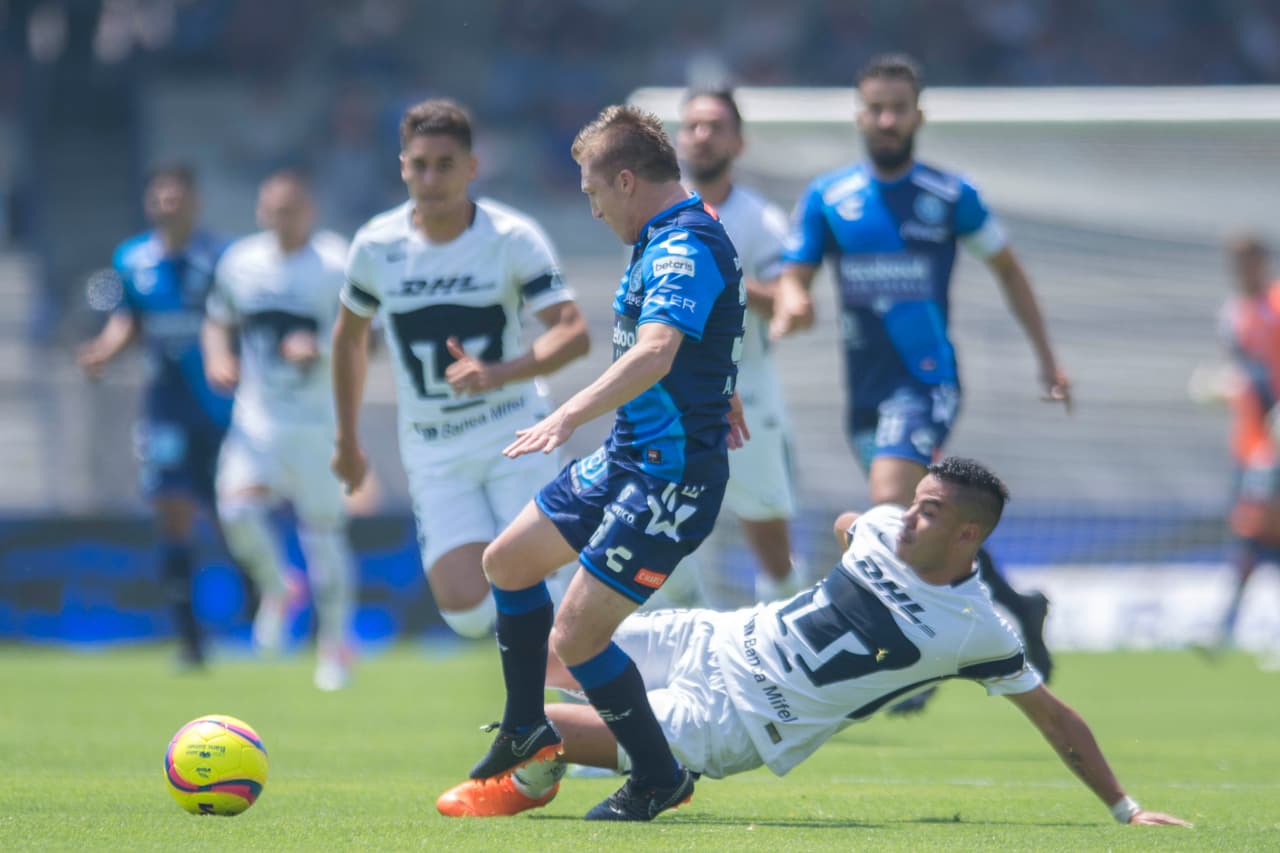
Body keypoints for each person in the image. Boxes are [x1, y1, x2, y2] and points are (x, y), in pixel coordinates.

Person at [436, 458, 1191, 830]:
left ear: (969, 535)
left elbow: (1055, 717)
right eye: (915, 502)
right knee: (537, 656)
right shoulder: (885, 529)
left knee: (546, 728)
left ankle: (557, 773)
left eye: (929, 512)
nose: (908, 518)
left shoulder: (977, 628)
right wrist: (865, 529)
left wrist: (1125, 809)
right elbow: (851, 525)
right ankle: (542, 763)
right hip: (712, 636)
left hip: (738, 720)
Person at [438, 104, 747, 823]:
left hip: (670, 477)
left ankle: (659, 775)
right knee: (507, 561)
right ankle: (526, 728)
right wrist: (723, 389)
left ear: (628, 179)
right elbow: (712, 334)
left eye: (593, 192)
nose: (594, 206)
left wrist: (567, 412)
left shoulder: (683, 244)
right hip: (627, 456)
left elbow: (659, 348)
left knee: (576, 638)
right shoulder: (663, 238)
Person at [769, 53, 1067, 698]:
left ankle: (911, 663)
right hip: (865, 386)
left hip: (925, 377)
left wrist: (1046, 357)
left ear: (918, 115)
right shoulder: (829, 197)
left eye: (898, 108)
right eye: (875, 107)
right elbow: (796, 270)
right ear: (859, 113)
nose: (886, 119)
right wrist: (792, 298)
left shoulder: (949, 196)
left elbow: (1009, 269)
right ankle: (1016, 605)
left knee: (886, 499)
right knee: (909, 514)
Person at [331, 99, 589, 639]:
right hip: (433, 446)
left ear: (472, 167)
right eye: (419, 164)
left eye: (445, 164)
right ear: (402, 166)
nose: (431, 177)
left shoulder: (511, 236)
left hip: (514, 433)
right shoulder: (376, 246)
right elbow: (350, 339)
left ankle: (566, 698)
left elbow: (573, 331)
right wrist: (348, 441)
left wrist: (498, 373)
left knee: (542, 582)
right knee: (466, 611)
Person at [202, 171, 358, 690]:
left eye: (292, 209)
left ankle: (333, 647)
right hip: (259, 418)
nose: (282, 219)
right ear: (260, 212)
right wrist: (219, 356)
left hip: (319, 423)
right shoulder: (240, 263)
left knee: (324, 537)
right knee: (236, 509)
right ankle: (277, 586)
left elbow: (369, 339)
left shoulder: (338, 262)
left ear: (309, 210)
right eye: (273, 209)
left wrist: (320, 350)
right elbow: (216, 318)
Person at [77, 164, 231, 668]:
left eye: (177, 196)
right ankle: (190, 640)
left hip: (222, 406)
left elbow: (235, 320)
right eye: (159, 196)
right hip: (165, 406)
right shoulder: (132, 258)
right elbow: (129, 318)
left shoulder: (222, 258)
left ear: (194, 202)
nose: (168, 203)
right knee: (171, 510)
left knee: (235, 517)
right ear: (149, 202)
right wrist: (104, 350)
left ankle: (263, 614)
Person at [676, 86, 801, 603]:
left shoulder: (761, 219)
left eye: (716, 126)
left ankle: (786, 652)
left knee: (769, 544)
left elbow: (789, 304)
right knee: (657, 537)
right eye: (693, 126)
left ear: (739, 143)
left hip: (747, 390)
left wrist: (727, 278)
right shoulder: (653, 209)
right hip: (670, 394)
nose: (703, 136)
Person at [1195, 235, 1280, 665]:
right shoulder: (1232, 314)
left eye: (1248, 261)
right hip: (1251, 446)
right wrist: (1223, 386)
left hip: (1275, 444)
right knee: (1252, 535)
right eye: (1236, 262)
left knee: (1258, 533)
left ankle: (1224, 629)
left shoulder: (1277, 305)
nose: (1241, 269)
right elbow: (1243, 374)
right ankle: (1225, 629)